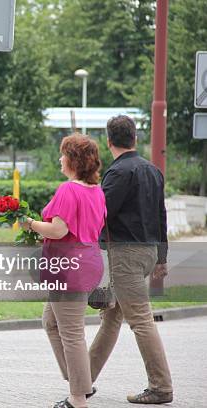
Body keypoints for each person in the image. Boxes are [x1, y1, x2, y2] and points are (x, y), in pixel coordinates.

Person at [88, 115, 173, 404]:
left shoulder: (118, 172)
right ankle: (83, 380)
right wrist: (162, 256)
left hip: (125, 255)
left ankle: (161, 387)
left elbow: (101, 213)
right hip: (147, 252)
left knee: (141, 321)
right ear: (135, 138)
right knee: (111, 318)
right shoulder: (152, 170)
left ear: (108, 141)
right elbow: (161, 216)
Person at [21, 134, 106, 408]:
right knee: (51, 322)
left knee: (71, 333)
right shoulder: (96, 191)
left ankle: (79, 397)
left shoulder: (69, 190)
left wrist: (31, 224)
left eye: (63, 154)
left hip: (69, 268)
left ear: (73, 160)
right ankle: (79, 381)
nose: (60, 159)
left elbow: (59, 229)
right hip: (86, 262)